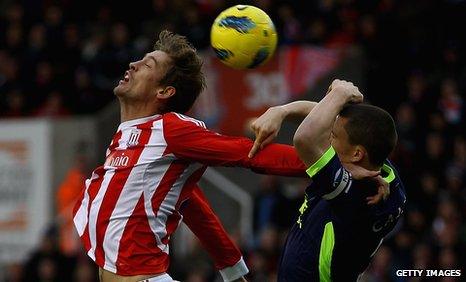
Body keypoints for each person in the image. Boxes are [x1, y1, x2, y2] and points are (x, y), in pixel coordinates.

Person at [72, 30, 307, 282]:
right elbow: (194, 208)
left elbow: (247, 153)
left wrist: (333, 164)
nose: (133, 64)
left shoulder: (171, 129)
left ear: (164, 91)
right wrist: (233, 271)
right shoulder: (126, 137)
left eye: (147, 64)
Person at [249, 79, 406, 281]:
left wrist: (340, 93)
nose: (328, 139)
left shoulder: (355, 196)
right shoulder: (383, 171)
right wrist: (281, 110)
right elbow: (321, 119)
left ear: (357, 154)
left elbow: (306, 137)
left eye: (333, 137)